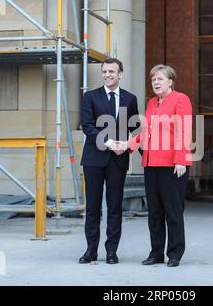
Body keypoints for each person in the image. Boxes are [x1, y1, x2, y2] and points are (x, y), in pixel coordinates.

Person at [127, 64, 193, 267]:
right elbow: (145, 132)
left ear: (170, 81)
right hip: (151, 163)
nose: (155, 82)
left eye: (160, 79)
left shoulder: (181, 99)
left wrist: (181, 159)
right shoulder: (151, 104)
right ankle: (156, 253)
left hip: (173, 165)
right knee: (154, 212)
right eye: (153, 79)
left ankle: (174, 254)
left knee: (172, 211)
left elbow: (184, 130)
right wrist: (128, 145)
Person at [80, 58, 139, 264]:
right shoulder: (90, 97)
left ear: (120, 74)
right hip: (94, 158)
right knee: (93, 207)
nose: (107, 75)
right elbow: (87, 126)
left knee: (114, 207)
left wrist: (131, 144)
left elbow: (134, 127)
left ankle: (112, 251)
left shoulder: (130, 99)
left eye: (111, 72)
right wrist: (109, 142)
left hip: (118, 160)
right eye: (104, 72)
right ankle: (91, 250)